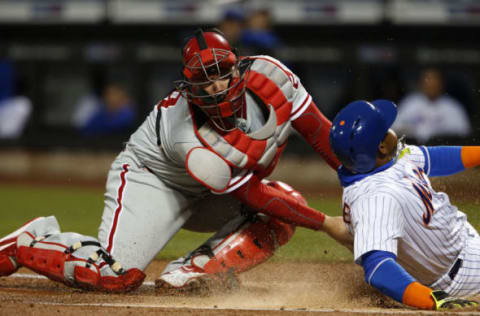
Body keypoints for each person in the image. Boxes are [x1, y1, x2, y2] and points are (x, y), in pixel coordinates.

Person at [0, 29, 340, 293]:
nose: (217, 87)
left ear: (239, 64)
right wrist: (327, 223)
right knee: (115, 275)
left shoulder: (273, 79)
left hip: (213, 191)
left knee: (285, 209)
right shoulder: (185, 129)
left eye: (222, 72)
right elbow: (250, 192)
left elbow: (321, 134)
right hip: (155, 182)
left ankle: (190, 274)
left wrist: (361, 182)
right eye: (204, 82)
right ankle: (31, 240)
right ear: (189, 86)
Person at [325, 99, 480, 310]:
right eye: (386, 129)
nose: (392, 130)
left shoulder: (384, 160)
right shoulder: (376, 199)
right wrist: (433, 299)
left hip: (465, 246)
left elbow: (435, 158)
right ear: (380, 146)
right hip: (463, 276)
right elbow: (378, 268)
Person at [392, 68, 471, 143]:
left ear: (441, 84)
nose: (431, 85)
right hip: (413, 150)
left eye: (434, 82)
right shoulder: (409, 103)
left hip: (441, 150)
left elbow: (464, 133)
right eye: (428, 81)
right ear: (420, 84)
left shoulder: (453, 107)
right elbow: (394, 129)